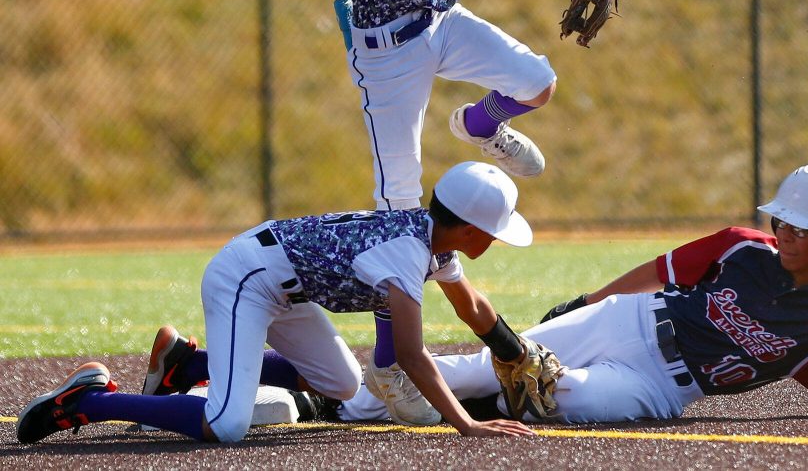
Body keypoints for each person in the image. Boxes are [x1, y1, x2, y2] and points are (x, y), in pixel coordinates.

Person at [270, 0, 622, 404]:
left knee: (537, 81)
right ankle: (387, 367)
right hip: (386, 52)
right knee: (399, 208)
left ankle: (481, 125)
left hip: (443, 23)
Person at [338, 164, 808, 423]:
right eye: (784, 222)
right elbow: (659, 271)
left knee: (574, 401)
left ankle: (454, 406)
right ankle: (340, 401)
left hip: (665, 386)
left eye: (804, 230)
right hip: (628, 319)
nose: (786, 234)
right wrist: (584, 303)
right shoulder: (744, 245)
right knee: (498, 365)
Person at [16, 162, 539, 444]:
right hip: (247, 275)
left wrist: (513, 351)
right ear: (470, 229)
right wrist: (465, 423)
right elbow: (409, 353)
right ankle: (86, 402)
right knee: (225, 426)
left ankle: (186, 364)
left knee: (343, 386)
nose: (496, 241)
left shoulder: (430, 240)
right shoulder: (409, 251)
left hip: (285, 281)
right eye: (494, 233)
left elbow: (472, 308)